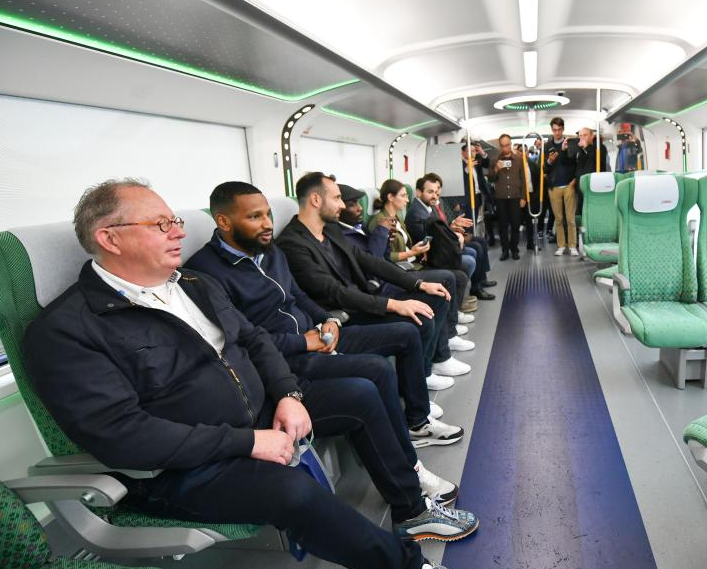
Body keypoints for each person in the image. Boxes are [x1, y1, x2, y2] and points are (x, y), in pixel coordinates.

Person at [23, 179, 489, 569]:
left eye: (175, 221)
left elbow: (254, 340)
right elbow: (125, 435)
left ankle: (410, 511)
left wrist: (287, 394)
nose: (178, 231)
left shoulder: (191, 284)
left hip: (261, 411)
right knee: (293, 493)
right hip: (186, 466)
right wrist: (248, 442)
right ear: (109, 238)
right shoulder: (66, 331)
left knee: (361, 394)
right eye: (161, 224)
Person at [185, 181, 465, 501]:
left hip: (318, 336)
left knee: (406, 334)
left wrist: (327, 320)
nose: (267, 224)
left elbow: (298, 296)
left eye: (268, 215)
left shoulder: (269, 251)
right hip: (287, 357)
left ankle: (415, 427)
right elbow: (244, 342)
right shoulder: (206, 273)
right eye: (254, 217)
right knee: (376, 372)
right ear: (223, 221)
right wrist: (304, 343)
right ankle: (410, 472)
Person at [275, 173, 471, 387]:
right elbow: (334, 292)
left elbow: (368, 260)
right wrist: (394, 305)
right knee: (420, 322)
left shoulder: (329, 230)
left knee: (435, 296)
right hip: (342, 314)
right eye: (337, 198)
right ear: (315, 199)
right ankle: (418, 389)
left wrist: (418, 284)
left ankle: (431, 368)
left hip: (363, 296)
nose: (342, 205)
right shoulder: (292, 244)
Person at [407, 174, 495, 301]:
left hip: (437, 250)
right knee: (470, 259)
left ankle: (473, 288)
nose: (435, 195)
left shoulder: (428, 207)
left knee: (475, 248)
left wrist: (453, 231)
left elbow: (439, 230)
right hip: (430, 257)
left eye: (436, 192)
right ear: (419, 192)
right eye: (430, 192)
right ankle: (457, 301)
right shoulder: (417, 213)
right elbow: (431, 239)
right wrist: (455, 238)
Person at [488, 133, 527, 260]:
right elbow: (490, 179)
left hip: (515, 197)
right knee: (502, 226)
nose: (505, 148)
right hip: (501, 198)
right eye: (502, 146)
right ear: (500, 146)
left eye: (507, 145)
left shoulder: (519, 160)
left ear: (510, 144)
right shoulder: (494, 160)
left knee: (515, 224)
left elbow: (523, 179)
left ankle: (514, 249)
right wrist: (496, 169)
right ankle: (505, 250)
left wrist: (523, 197)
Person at [544, 117, 578, 256]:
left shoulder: (570, 143)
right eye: (554, 130)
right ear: (552, 130)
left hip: (569, 184)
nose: (557, 133)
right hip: (554, 186)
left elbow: (574, 163)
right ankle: (561, 245)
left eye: (559, 130)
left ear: (563, 129)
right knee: (558, 219)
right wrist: (549, 161)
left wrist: (574, 180)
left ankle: (572, 245)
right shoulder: (547, 146)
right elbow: (544, 169)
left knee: (570, 219)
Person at [574, 127, 611, 217]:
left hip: (594, 186)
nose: (582, 138)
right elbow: (579, 167)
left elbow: (598, 162)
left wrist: (586, 147)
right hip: (581, 186)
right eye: (580, 136)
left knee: (593, 211)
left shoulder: (600, 147)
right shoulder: (580, 150)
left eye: (585, 135)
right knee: (581, 210)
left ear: (592, 136)